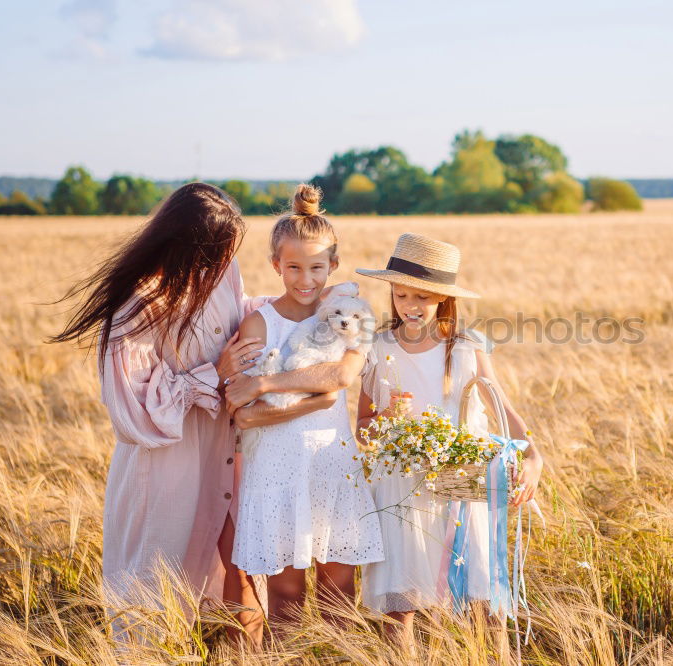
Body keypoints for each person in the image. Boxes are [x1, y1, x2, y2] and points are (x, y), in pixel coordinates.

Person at [50, 182, 278, 645]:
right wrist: (213, 373)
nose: (224, 265)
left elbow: (237, 318)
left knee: (240, 578)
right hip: (166, 465)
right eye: (217, 254)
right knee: (152, 594)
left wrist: (300, 307)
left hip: (225, 453)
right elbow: (132, 413)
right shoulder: (138, 304)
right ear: (189, 247)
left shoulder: (222, 273)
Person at [353, 233, 545, 652]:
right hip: (401, 482)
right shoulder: (378, 347)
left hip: (464, 479)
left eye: (423, 296)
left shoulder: (466, 346)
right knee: (402, 601)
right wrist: (386, 420)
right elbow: (362, 428)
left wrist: (533, 455)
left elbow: (501, 408)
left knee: (480, 594)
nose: (410, 305)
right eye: (401, 294)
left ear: (444, 298)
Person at [229, 183, 383, 630]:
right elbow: (241, 411)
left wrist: (265, 384)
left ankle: (341, 658)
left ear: (333, 265)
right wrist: (309, 399)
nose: (305, 279)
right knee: (284, 596)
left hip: (330, 463)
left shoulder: (349, 314)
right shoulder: (260, 322)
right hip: (273, 468)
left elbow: (339, 377)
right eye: (293, 267)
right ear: (276, 264)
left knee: (339, 589)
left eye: (317, 267)